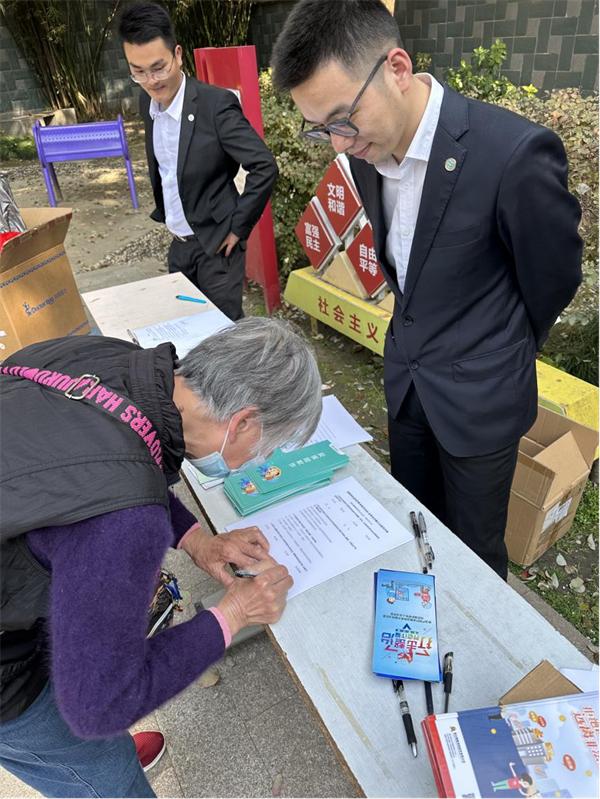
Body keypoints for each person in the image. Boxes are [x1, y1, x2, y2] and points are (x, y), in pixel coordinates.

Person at [270, 0, 583, 580]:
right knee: (415, 529)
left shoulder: (510, 154)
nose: (337, 144)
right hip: (409, 384)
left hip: (480, 402)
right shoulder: (366, 153)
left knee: (474, 557)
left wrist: (500, 345)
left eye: (342, 119)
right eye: (321, 129)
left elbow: (555, 278)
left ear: (396, 67)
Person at [0, 317, 321, 797]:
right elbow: (98, 706)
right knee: (100, 765)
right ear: (244, 422)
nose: (263, 461)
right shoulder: (127, 523)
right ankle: (103, 773)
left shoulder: (100, 359)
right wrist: (234, 613)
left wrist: (197, 539)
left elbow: (96, 465)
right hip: (8, 672)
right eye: (267, 449)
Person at [119, 2, 278, 321]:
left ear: (178, 55)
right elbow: (166, 170)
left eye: (158, 67)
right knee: (184, 326)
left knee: (223, 336)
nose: (151, 80)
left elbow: (264, 166)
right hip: (179, 244)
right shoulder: (146, 101)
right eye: (138, 72)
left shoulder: (215, 105)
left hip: (218, 246)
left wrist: (238, 228)